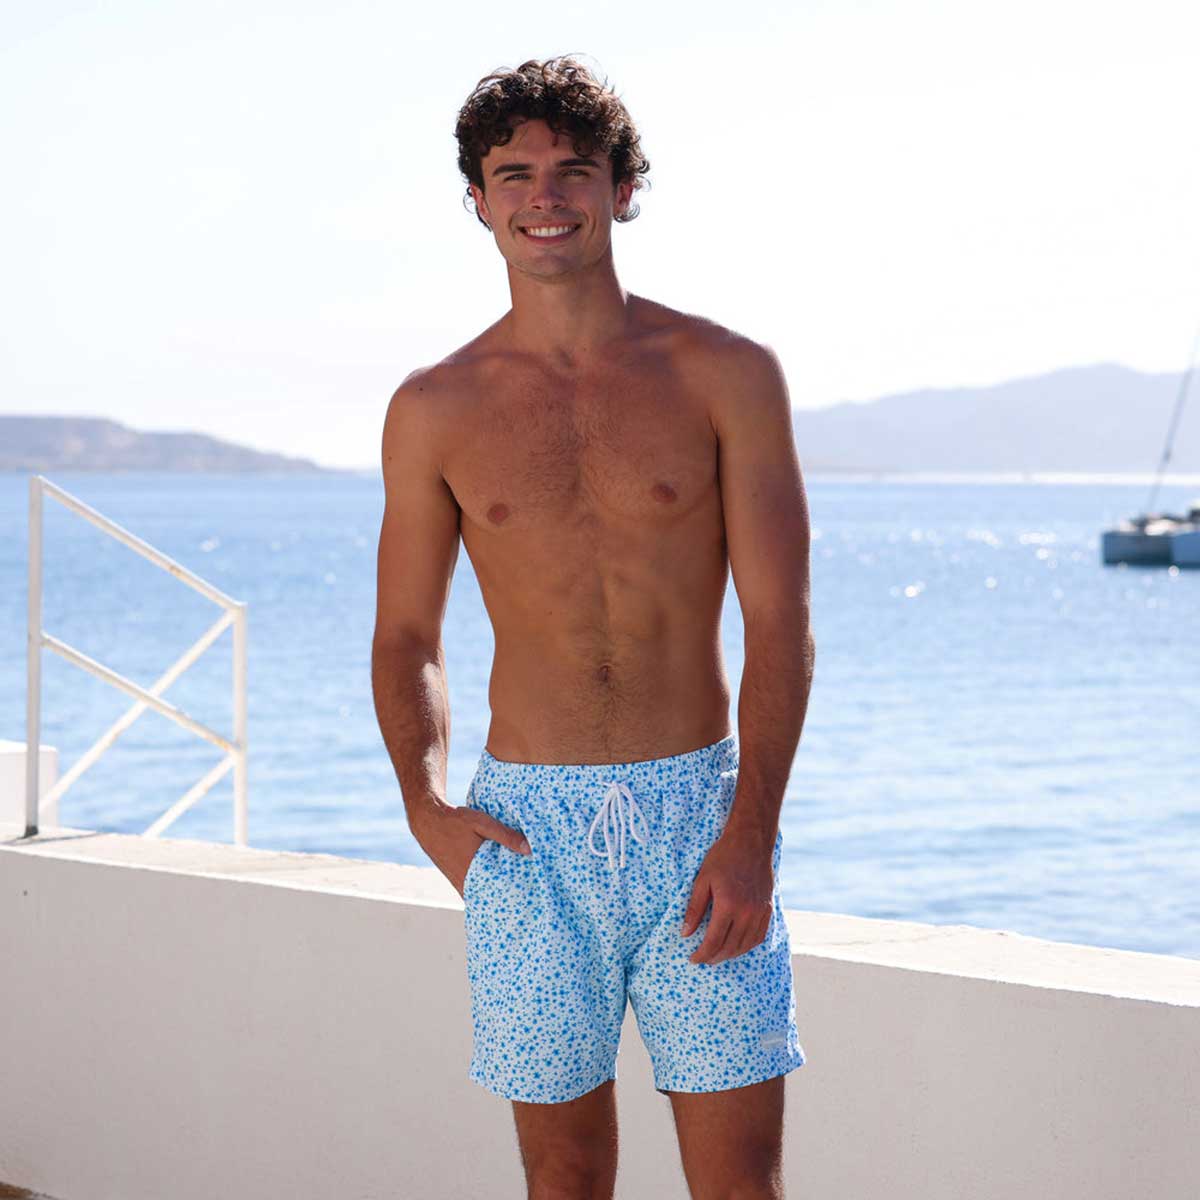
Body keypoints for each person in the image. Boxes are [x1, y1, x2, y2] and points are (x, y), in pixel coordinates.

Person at [371, 54, 815, 1200]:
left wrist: (752, 830)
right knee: (563, 1178)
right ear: (479, 202)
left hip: (700, 817)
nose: (545, 196)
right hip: (529, 836)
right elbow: (406, 635)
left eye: (574, 169)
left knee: (741, 1183)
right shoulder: (434, 407)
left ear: (623, 189)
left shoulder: (726, 374)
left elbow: (780, 619)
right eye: (513, 175)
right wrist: (426, 806)